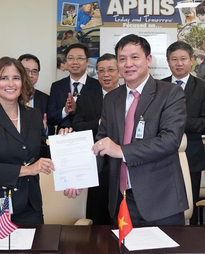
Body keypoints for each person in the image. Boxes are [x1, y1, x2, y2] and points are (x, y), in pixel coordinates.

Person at [65, 35, 188, 227]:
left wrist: (121, 151)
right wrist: (81, 177)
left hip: (160, 201)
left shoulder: (170, 93)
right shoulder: (112, 99)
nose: (128, 64)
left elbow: (170, 140)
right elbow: (102, 143)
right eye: (122, 59)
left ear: (148, 60)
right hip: (122, 200)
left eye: (134, 57)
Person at [0, 57, 55, 224]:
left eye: (16, 78)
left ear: (23, 83)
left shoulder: (34, 115)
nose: (11, 83)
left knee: (33, 250)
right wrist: (28, 170)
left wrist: (63, 143)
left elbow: (43, 155)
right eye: (3, 78)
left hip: (29, 207)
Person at [162, 41, 205, 224]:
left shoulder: (203, 88)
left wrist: (178, 122)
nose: (179, 63)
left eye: (183, 58)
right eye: (174, 59)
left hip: (192, 155)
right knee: (163, 205)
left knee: (189, 207)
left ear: (191, 60)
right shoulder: (158, 87)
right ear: (168, 62)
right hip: (161, 157)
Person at [73, 53, 120, 224]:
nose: (106, 75)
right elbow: (77, 126)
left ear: (119, 71)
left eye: (110, 70)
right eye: (101, 71)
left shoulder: (128, 95)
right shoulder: (87, 96)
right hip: (95, 162)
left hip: (121, 162)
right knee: (97, 211)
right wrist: (100, 122)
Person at [47, 43, 99, 133]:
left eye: (80, 58)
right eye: (70, 58)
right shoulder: (57, 86)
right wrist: (65, 111)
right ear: (66, 61)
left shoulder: (97, 86)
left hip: (91, 139)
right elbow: (51, 118)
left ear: (87, 61)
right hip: (64, 139)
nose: (75, 62)